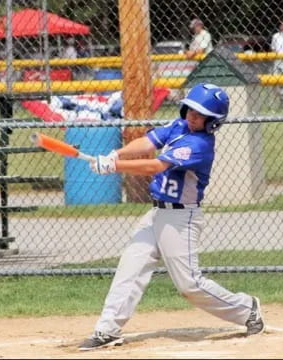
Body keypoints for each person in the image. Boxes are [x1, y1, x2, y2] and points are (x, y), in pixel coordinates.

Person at [78, 83, 265, 351]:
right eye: (191, 110)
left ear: (213, 122)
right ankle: (107, 330)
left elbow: (156, 165)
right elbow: (149, 141)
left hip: (181, 220)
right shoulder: (179, 126)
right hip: (156, 213)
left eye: (200, 115)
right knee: (130, 269)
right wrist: (115, 154)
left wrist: (114, 167)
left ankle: (247, 309)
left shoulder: (199, 145)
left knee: (189, 285)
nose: (192, 116)